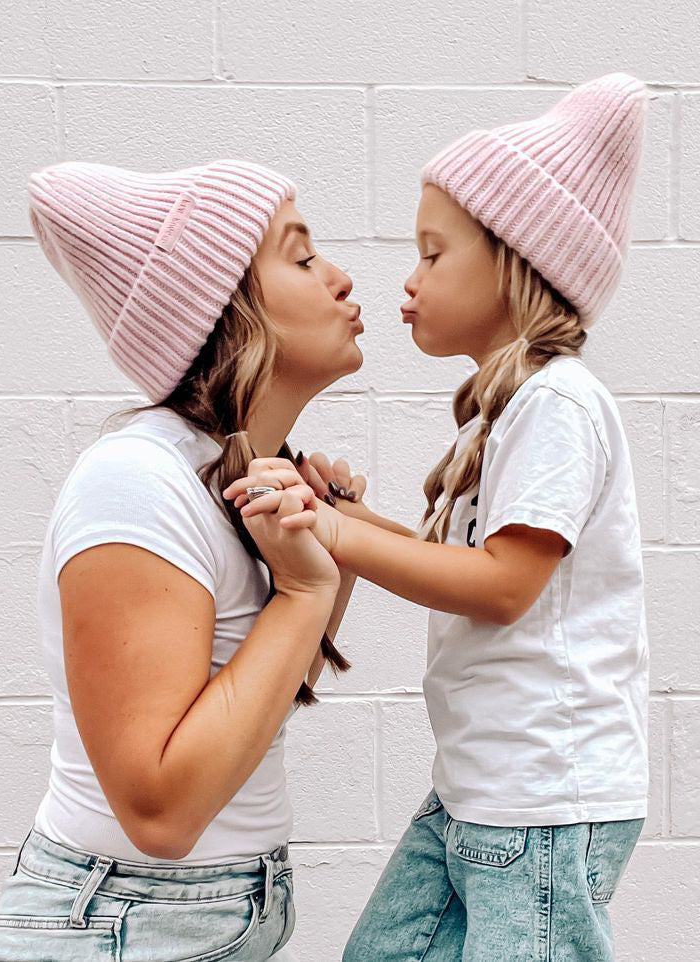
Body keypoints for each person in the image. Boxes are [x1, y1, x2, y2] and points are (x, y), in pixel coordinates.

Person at [226, 73, 651, 960]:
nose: (407, 280)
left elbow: (501, 589)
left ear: (515, 261)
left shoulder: (556, 403)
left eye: (432, 253)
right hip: (481, 788)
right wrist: (346, 515)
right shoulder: (515, 408)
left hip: (539, 800)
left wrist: (336, 535)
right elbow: (458, 564)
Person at [0, 158, 366, 961]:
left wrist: (335, 565)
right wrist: (300, 590)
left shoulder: (234, 468)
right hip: (125, 922)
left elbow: (241, 718)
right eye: (301, 257)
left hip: (191, 916)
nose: (340, 277)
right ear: (223, 311)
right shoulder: (136, 482)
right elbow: (160, 811)